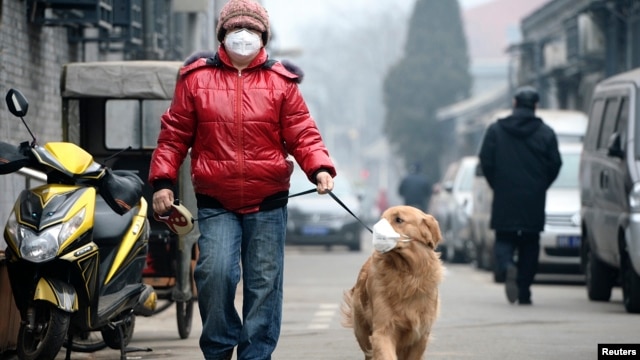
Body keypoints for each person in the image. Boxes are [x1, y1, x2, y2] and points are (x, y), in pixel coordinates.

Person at [147, 0, 336, 358]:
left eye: (251, 30)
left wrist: (320, 168)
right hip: (217, 201)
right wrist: (162, 182)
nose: (244, 36)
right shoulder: (196, 79)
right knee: (215, 276)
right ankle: (218, 349)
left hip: (269, 201)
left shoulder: (282, 82)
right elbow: (173, 135)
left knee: (264, 284)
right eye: (236, 29)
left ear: (263, 36)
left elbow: (303, 133)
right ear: (223, 33)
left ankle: (256, 354)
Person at [478, 85, 561, 305]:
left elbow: (485, 160)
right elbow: (555, 164)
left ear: (514, 103)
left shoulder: (496, 130)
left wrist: (497, 183)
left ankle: (507, 267)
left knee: (504, 238)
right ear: (536, 106)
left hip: (505, 195)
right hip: (533, 198)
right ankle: (524, 291)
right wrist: (541, 185)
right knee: (530, 244)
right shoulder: (546, 133)